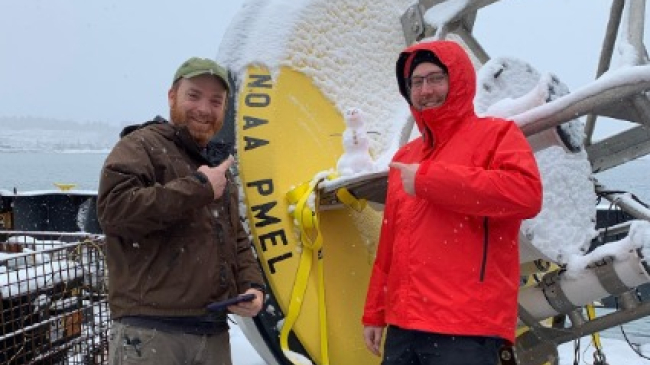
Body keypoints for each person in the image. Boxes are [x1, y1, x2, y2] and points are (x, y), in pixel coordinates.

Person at [362, 40, 543, 364]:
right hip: (403, 329)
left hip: (468, 330)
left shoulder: (497, 135)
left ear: (458, 80)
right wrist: (375, 312)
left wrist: (429, 180)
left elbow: (526, 195)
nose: (425, 89)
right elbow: (389, 246)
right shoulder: (405, 157)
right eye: (416, 82)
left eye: (435, 78)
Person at [97, 57, 265, 365]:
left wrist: (252, 285)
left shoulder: (217, 166)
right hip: (151, 333)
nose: (204, 108)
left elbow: (235, 237)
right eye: (194, 95)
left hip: (212, 333)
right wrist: (199, 186)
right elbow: (114, 210)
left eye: (216, 101)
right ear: (172, 96)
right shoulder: (141, 145)